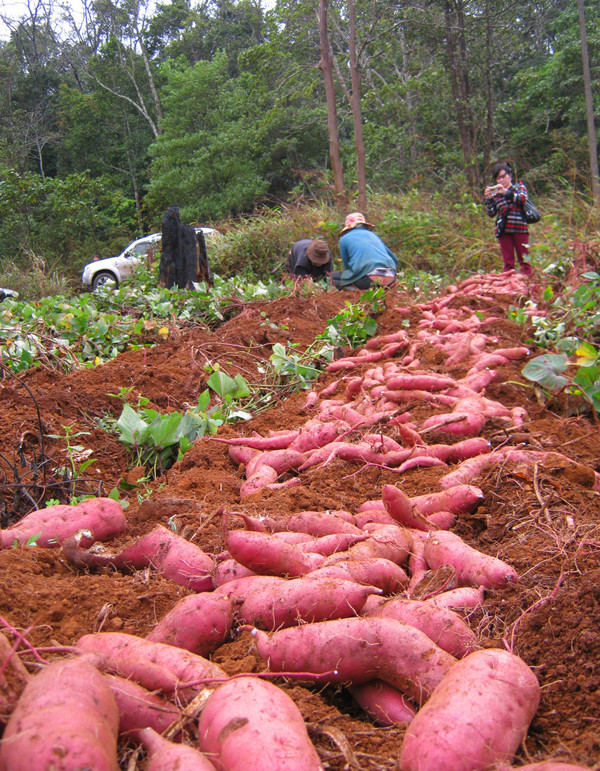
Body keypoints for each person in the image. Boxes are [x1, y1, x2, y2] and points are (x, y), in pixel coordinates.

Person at [484, 162, 533, 276]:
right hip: (504, 229)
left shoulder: (519, 187)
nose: (501, 180)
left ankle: (527, 284)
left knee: (524, 260)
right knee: (508, 263)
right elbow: (491, 213)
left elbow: (522, 199)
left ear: (509, 175)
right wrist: (488, 198)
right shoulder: (496, 194)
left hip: (519, 227)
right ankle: (509, 286)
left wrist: (506, 192)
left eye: (503, 176)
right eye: (498, 178)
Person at [331, 212, 398, 290]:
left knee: (333, 277)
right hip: (390, 280)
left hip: (368, 281)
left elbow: (347, 265)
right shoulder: (373, 236)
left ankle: (355, 291)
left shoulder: (344, 238)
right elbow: (395, 259)